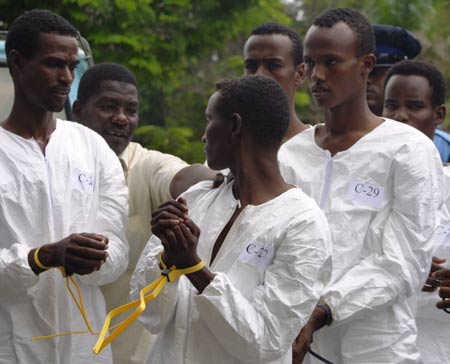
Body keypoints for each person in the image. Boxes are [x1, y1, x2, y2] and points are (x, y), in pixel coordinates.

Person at [278, 8, 443, 363]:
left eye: (332, 62)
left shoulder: (408, 150)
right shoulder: (290, 155)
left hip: (377, 348)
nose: (318, 76)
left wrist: (323, 311)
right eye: (311, 62)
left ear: (366, 64)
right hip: (293, 345)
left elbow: (404, 262)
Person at [131, 75, 332, 364]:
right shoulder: (196, 198)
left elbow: (265, 342)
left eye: (209, 119)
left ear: (235, 125)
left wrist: (194, 269)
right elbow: (148, 315)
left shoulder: (303, 223)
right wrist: (166, 260)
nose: (203, 135)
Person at [0, 10, 128, 364]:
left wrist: (96, 256)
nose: (67, 77)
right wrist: (41, 258)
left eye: (72, 66)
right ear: (18, 62)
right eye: (54, 64)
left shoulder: (91, 147)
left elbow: (117, 250)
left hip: (85, 348)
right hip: (11, 347)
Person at [73, 62, 219, 363]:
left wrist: (219, 183)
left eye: (131, 110)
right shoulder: (52, 168)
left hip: (128, 352)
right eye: (108, 106)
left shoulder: (145, 165)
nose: (121, 119)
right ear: (77, 111)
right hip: (50, 342)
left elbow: (181, 176)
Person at [383, 60, 450, 364]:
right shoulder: (361, 183)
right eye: (391, 105)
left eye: (413, 106)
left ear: (438, 115)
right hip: (379, 341)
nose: (400, 116)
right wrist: (405, 272)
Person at [243, 22, 309, 142]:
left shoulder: (320, 151)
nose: (260, 74)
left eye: (273, 65)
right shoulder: (229, 148)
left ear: (300, 74)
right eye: (251, 66)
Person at [366, 24, 422, 117]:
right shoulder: (336, 128)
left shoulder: (420, 130)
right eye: (362, 73)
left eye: (377, 73)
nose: (367, 80)